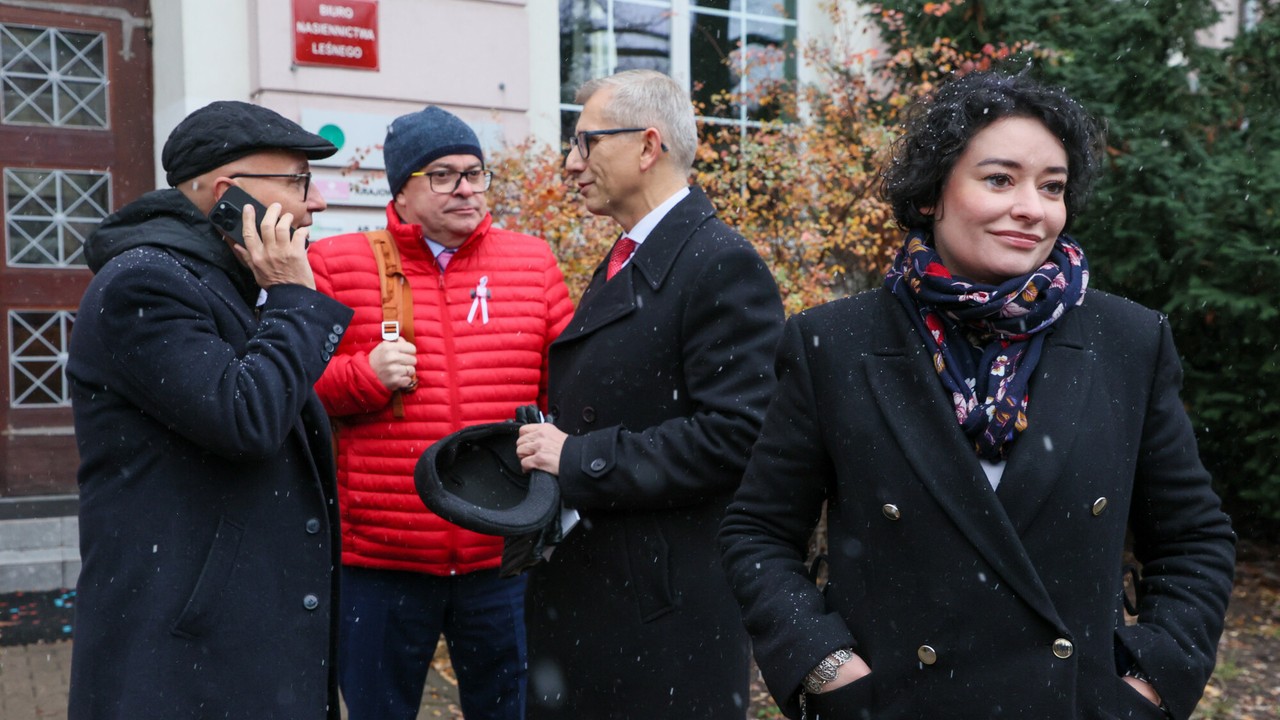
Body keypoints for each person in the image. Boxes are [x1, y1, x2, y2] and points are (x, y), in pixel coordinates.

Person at [718, 70, 1237, 720]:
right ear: (934, 192)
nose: (1033, 208)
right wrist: (829, 671)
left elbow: (1194, 538)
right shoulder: (835, 343)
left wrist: (1146, 686)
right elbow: (758, 531)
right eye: (1000, 179)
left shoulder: (1128, 342)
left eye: (1053, 187)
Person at [67, 101, 353, 719]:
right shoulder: (143, 285)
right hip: (184, 661)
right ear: (230, 194)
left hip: (237, 644)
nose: (317, 204)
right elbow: (246, 418)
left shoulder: (227, 282)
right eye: (299, 182)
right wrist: (294, 297)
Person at [515, 69, 785, 719]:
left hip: (660, 613)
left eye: (585, 144)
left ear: (646, 146)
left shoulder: (718, 262)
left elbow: (739, 435)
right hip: (610, 593)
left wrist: (577, 459)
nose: (571, 165)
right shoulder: (638, 253)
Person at [306, 105, 573, 720]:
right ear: (401, 188)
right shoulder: (337, 265)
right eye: (443, 175)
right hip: (381, 559)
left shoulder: (531, 264)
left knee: (507, 709)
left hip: (500, 557)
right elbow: (293, 393)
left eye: (475, 173)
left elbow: (572, 391)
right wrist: (363, 379)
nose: (466, 189)